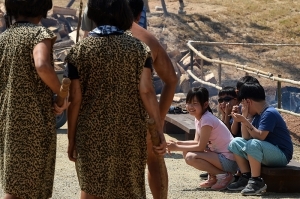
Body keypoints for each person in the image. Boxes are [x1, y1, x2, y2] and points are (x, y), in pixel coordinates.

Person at [65, 0, 166, 198]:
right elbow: (147, 92)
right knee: (129, 189)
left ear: (92, 15)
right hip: (129, 131)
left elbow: (75, 99)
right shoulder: (139, 49)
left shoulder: (79, 51)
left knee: (92, 188)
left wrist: (71, 138)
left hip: (91, 133)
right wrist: (159, 130)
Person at [0, 0, 69, 198]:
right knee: (28, 185)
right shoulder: (39, 34)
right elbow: (42, 65)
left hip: (8, 117)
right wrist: (59, 94)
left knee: (15, 181)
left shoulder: (5, 38)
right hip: (33, 120)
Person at [227, 83, 293, 196]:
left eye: (242, 104)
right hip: (266, 151)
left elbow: (260, 136)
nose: (241, 107)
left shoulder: (269, 113)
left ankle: (256, 181)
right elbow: (245, 137)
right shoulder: (257, 115)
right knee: (235, 142)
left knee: (253, 143)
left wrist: (245, 121)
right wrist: (245, 117)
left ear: (248, 102)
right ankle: (246, 176)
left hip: (281, 155)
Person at [166, 87, 238, 191]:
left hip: (229, 161)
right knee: (186, 152)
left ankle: (224, 175)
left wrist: (176, 147)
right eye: (189, 103)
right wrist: (177, 143)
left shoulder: (206, 119)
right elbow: (196, 142)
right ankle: (214, 176)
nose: (190, 106)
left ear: (205, 104)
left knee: (190, 157)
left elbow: (200, 147)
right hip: (219, 157)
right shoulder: (199, 117)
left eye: (195, 103)